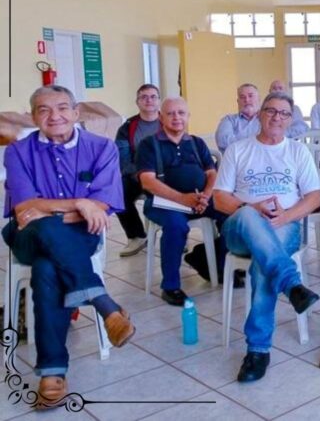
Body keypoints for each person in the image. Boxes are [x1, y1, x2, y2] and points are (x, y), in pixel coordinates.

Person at [2, 85, 136, 407]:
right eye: (44, 110)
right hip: (27, 237)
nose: (54, 116)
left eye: (62, 108)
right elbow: (23, 209)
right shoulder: (18, 151)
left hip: (80, 236)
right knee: (42, 230)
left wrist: (48, 207)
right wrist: (79, 203)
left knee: (48, 267)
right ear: (33, 117)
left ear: (76, 114)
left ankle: (52, 372)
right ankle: (103, 304)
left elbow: (104, 204)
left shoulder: (102, 148)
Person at [214, 92, 320, 382]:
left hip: (284, 224)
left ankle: (258, 351)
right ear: (261, 114)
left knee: (264, 264)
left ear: (290, 120)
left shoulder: (298, 151)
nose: (277, 117)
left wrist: (285, 216)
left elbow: (314, 197)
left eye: (284, 113)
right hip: (240, 227)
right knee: (251, 216)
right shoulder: (238, 149)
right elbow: (219, 198)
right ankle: (291, 283)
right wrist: (250, 208)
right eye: (271, 111)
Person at [137, 97, 226, 306]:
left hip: (199, 198)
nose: (176, 117)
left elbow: (212, 173)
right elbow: (147, 182)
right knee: (177, 227)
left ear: (188, 116)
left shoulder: (196, 142)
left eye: (181, 113)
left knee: (232, 213)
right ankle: (170, 286)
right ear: (161, 117)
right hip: (163, 202)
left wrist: (206, 194)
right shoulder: (149, 145)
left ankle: (211, 262)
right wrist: (183, 199)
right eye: (170, 113)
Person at [115, 84, 161, 257]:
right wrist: (143, 174)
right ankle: (136, 236)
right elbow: (123, 160)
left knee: (179, 186)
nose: (148, 100)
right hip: (137, 174)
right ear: (137, 102)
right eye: (144, 97)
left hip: (166, 174)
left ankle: (176, 233)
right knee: (117, 192)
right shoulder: (127, 128)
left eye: (153, 96)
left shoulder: (170, 120)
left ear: (159, 101)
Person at [216, 84, 261, 152]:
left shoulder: (268, 120)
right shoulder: (229, 120)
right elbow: (223, 142)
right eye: (242, 97)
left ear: (258, 99)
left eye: (250, 96)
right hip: (236, 161)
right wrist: (259, 141)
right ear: (238, 101)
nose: (246, 100)